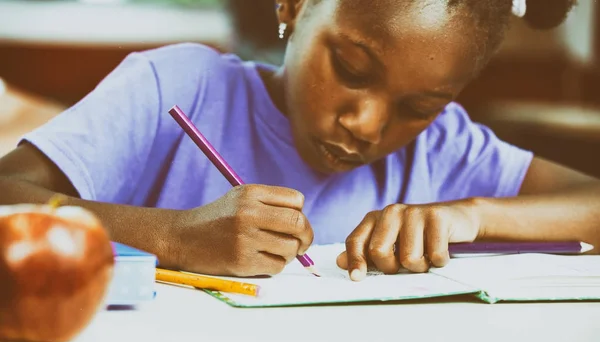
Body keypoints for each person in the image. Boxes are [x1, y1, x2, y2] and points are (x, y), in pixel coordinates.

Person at [0, 0, 596, 281]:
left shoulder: (443, 147)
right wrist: (172, 235)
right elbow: (7, 194)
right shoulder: (175, 88)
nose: (366, 125)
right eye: (352, 69)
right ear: (294, 5)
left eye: (418, 106)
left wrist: (472, 215)